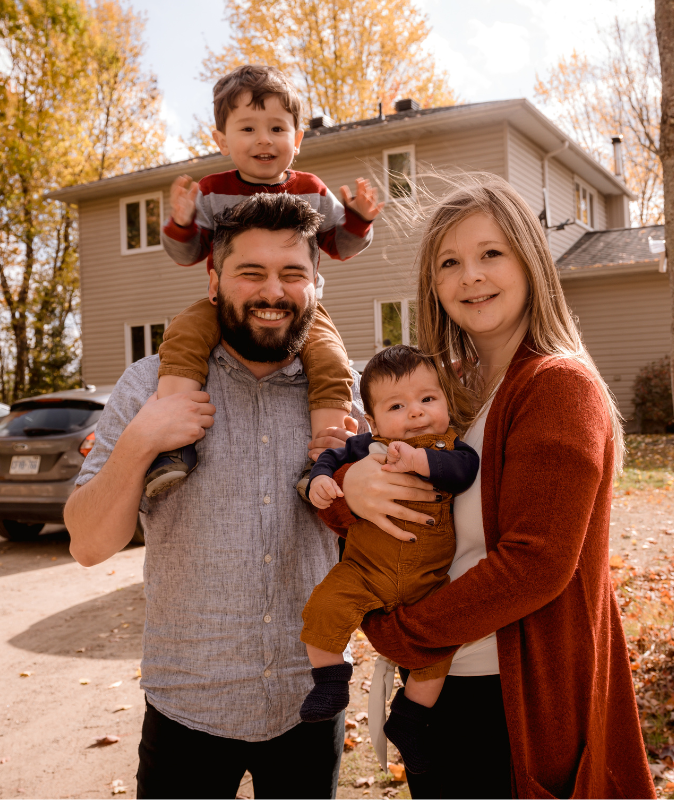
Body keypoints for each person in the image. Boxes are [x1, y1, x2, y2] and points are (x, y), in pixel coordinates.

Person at [318, 179, 657, 798]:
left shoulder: (556, 386)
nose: (470, 276)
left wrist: (398, 632)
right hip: (444, 690)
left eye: (490, 254)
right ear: (433, 283)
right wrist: (350, 479)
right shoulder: (445, 394)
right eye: (450, 262)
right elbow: (364, 485)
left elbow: (535, 565)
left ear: (529, 259)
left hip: (508, 701)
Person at [64, 193, 360, 800]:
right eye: (251, 272)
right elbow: (90, 544)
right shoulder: (150, 384)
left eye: (292, 274)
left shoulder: (346, 399)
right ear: (213, 278)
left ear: (316, 283)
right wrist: (143, 437)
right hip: (185, 710)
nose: (272, 292)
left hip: (309, 702)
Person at [147, 63, 383, 497]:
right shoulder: (212, 190)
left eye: (277, 128)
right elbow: (188, 254)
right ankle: (172, 446)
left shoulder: (311, 188)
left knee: (331, 361)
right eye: (248, 128)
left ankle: (325, 461)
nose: (263, 139)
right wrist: (182, 223)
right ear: (221, 140)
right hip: (226, 306)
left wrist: (360, 219)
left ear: (297, 139)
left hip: (301, 314)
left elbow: (339, 245)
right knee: (182, 336)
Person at [300, 345, 479, 775]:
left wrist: (421, 459)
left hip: (428, 582)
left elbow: (464, 472)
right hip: (365, 571)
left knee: (438, 653)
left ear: (445, 402)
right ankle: (330, 681)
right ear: (374, 421)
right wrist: (320, 479)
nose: (416, 413)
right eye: (397, 405)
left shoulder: (452, 447)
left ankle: (409, 719)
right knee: (322, 608)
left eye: (427, 399)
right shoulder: (367, 446)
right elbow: (330, 455)